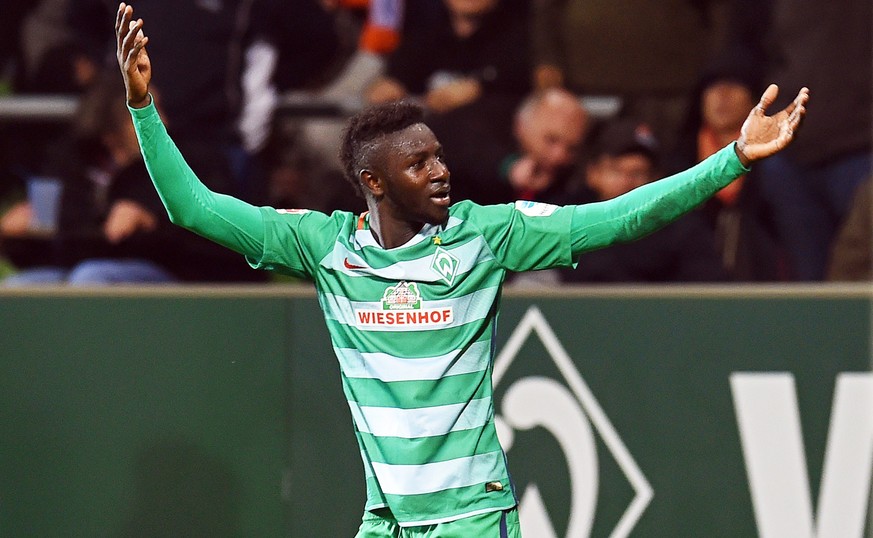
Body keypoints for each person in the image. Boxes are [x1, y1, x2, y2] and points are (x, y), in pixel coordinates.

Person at [116, 3, 808, 535]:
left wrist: (734, 159)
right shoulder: (324, 248)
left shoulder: (487, 235)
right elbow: (192, 207)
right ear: (373, 183)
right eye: (418, 163)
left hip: (471, 521)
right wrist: (144, 108)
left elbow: (622, 216)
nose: (441, 171)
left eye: (439, 155)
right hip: (385, 520)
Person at [561, 118, 726, 283]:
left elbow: (709, 292)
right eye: (616, 171)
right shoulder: (568, 222)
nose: (626, 182)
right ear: (593, 174)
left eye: (638, 173)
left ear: (656, 179)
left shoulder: (683, 228)